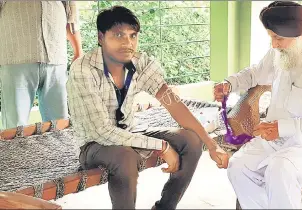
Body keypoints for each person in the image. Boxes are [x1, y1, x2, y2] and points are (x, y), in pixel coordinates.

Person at [66, 6, 229, 210]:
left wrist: (211, 145)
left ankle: (165, 207)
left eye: (133, 36)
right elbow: (102, 132)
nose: (128, 43)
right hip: (94, 145)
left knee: (191, 140)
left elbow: (174, 105)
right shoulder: (83, 70)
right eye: (119, 35)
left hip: (130, 133)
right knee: (125, 156)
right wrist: (162, 146)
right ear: (101, 37)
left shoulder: (139, 63)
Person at [214, 1, 302, 209]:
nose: (274, 45)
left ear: (301, 34)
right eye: (271, 38)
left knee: (280, 168)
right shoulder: (278, 53)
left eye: (278, 38)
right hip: (274, 139)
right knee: (238, 166)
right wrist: (229, 83)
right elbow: (255, 73)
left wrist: (283, 128)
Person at [0, 1, 83, 129]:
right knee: (15, 127)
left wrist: (78, 51)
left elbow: (71, 15)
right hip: (16, 57)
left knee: (59, 124)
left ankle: (59, 150)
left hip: (56, 58)